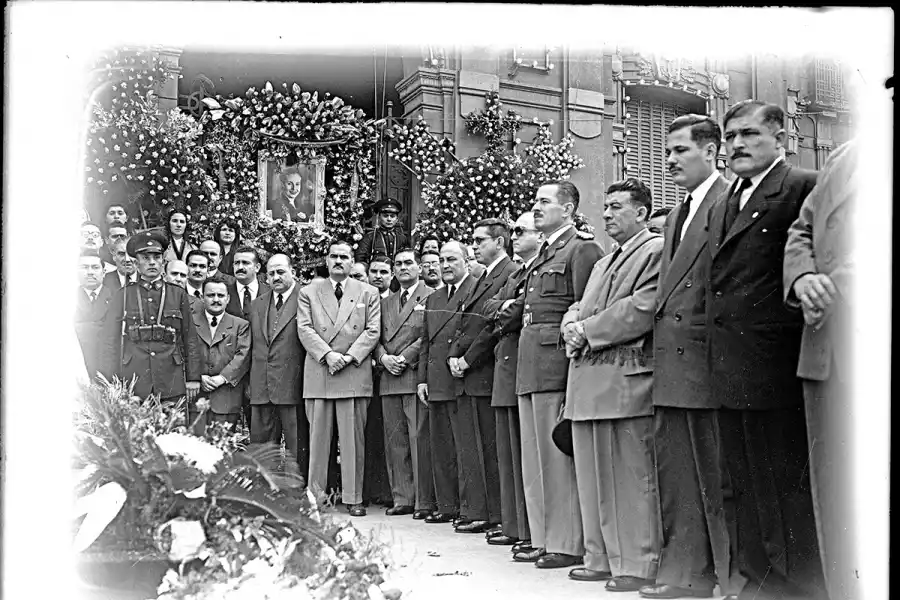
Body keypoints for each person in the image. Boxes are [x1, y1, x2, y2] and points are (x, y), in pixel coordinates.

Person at [708, 100, 823, 600]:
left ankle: (794, 585)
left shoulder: (801, 185)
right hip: (729, 364)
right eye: (731, 136)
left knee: (783, 485)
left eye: (750, 135)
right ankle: (754, 581)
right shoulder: (728, 197)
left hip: (774, 363)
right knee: (742, 483)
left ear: (781, 138)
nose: (737, 145)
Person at [642, 114, 736, 600]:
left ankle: (730, 578)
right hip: (673, 365)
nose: (671, 159)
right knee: (677, 478)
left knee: (718, 481)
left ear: (711, 151)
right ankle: (686, 575)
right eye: (669, 151)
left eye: (681, 150)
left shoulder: (728, 201)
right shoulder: (679, 211)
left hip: (707, 364)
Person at [561, 178, 663, 591]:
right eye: (605, 207)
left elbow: (642, 307)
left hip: (624, 382)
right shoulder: (604, 261)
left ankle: (637, 562)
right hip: (588, 383)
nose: (606, 214)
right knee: (592, 478)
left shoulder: (654, 250)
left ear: (641, 213)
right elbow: (578, 304)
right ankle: (599, 556)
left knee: (628, 478)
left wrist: (584, 329)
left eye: (617, 207)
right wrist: (571, 324)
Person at [512, 180, 603, 569]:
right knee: (534, 457)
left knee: (556, 458)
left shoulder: (581, 249)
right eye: (534, 201)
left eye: (544, 202)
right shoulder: (543, 254)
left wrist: (574, 372)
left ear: (567, 210)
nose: (535, 208)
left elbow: (586, 307)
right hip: (531, 361)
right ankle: (543, 535)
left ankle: (566, 541)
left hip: (556, 364)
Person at [783, 141, 858, 600]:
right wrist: (803, 278)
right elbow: (802, 228)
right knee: (832, 496)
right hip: (824, 346)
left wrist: (837, 283)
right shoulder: (845, 153)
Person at [297, 240, 381, 517]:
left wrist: (349, 357)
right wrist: (328, 355)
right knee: (318, 441)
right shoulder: (309, 292)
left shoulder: (368, 292)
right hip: (321, 371)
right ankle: (316, 499)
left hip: (353, 372)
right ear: (327, 259)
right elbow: (305, 329)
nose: (338, 261)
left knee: (352, 441)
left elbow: (372, 331)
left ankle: (353, 498)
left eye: (344, 257)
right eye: (333, 256)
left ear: (352, 260)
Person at [447, 219, 518, 534]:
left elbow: (493, 324)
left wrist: (467, 359)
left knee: (488, 448)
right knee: (471, 447)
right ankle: (479, 510)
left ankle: (493, 513)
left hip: (484, 370)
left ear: (500, 242)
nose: (474, 246)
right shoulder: (483, 275)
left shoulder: (510, 272)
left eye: (480, 240)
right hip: (469, 372)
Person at [480, 211, 540, 549]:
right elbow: (490, 309)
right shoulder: (518, 273)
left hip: (522, 364)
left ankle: (530, 529)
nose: (514, 235)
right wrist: (505, 306)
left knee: (525, 455)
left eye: (521, 230)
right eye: (513, 230)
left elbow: (514, 310)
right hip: (508, 368)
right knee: (509, 456)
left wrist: (505, 307)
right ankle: (515, 524)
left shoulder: (532, 272)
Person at [99, 231, 202, 403]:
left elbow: (190, 337)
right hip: (134, 379)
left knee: (173, 429)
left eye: (156, 257)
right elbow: (110, 340)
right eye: (146, 258)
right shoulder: (124, 295)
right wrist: (111, 381)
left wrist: (193, 378)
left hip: (171, 378)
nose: (152, 262)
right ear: (136, 263)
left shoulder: (177, 294)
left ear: (163, 261)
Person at [417, 241, 477, 525]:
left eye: (452, 259)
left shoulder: (475, 289)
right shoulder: (434, 298)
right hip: (436, 380)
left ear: (467, 260)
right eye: (442, 260)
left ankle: (467, 508)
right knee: (440, 447)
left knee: (463, 448)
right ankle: (447, 505)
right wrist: (421, 380)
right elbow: (427, 342)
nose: (445, 265)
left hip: (460, 377)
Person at [374, 248, 436, 518]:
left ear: (420, 268)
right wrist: (384, 358)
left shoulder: (432, 296)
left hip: (413, 375)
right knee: (395, 442)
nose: (403, 268)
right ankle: (402, 497)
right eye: (398, 264)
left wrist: (405, 357)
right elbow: (374, 335)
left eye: (409, 263)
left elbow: (429, 335)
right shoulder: (385, 302)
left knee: (418, 439)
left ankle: (423, 500)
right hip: (389, 376)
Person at [248, 254, 309, 476]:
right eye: (271, 273)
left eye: (281, 271)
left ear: (292, 271)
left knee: (296, 447)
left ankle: (296, 494)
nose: (276, 277)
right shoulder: (257, 304)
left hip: (293, 384)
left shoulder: (306, 298)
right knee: (262, 450)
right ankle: (265, 493)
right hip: (262, 386)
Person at [187, 275, 251, 435]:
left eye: (221, 295)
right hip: (195, 399)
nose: (216, 299)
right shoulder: (189, 323)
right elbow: (183, 352)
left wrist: (221, 378)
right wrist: (197, 376)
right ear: (202, 297)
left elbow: (243, 355)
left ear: (228, 298)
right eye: (210, 295)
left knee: (223, 452)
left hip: (226, 399)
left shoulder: (240, 325)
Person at [224, 245, 270, 432]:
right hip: (229, 366)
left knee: (259, 427)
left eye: (246, 263)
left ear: (257, 267)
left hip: (260, 369)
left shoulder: (269, 293)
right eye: (237, 263)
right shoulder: (223, 293)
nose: (240, 267)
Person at [75, 249, 115, 379]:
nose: (90, 272)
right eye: (84, 267)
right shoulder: (66, 300)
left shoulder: (117, 298)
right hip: (77, 369)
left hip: (108, 371)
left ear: (104, 272)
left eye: (95, 267)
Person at [356, 198, 410, 269]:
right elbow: (360, 259)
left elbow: (408, 259)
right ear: (379, 217)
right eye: (385, 216)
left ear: (397, 219)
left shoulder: (402, 238)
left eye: (392, 216)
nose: (389, 219)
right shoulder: (370, 237)